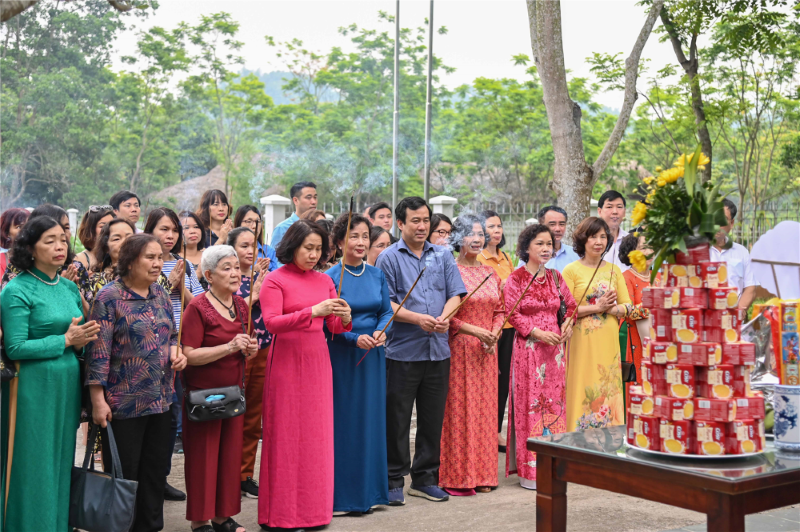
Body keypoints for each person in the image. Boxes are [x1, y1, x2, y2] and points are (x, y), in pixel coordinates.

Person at [0, 216, 100, 532]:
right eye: (49, 241)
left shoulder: (69, 288)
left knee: (60, 460)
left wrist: (82, 341)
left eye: (61, 239)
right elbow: (15, 348)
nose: (59, 246)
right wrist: (65, 340)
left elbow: (77, 340)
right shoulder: (16, 290)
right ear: (29, 248)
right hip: (30, 387)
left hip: (65, 385)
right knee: (32, 465)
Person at [86, 233, 187, 532]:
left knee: (155, 473)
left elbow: (170, 334)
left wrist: (175, 351)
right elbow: (98, 352)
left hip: (161, 398)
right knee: (125, 476)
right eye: (150, 258)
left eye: (160, 258)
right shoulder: (109, 297)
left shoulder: (160, 293)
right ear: (129, 261)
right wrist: (97, 400)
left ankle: (151, 527)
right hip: (123, 404)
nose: (158, 264)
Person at [257, 219, 352, 529]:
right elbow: (271, 323)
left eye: (318, 249)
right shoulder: (275, 280)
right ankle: (282, 514)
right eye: (307, 248)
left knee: (316, 437)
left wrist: (344, 316)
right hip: (285, 362)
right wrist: (312, 311)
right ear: (292, 246)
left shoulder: (325, 281)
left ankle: (315, 512)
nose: (313, 255)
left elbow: (334, 328)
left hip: (317, 361)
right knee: (286, 436)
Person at [375, 197, 466, 505]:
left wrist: (444, 317)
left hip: (438, 351)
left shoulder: (442, 255)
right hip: (402, 352)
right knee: (397, 420)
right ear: (400, 224)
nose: (422, 226)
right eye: (415, 220)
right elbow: (384, 303)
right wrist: (418, 319)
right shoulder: (388, 257)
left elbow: (456, 294)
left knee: (431, 419)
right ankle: (393, 479)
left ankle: (425, 478)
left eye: (426, 220)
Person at [181, 245, 257, 532]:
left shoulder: (240, 305)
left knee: (229, 456)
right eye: (227, 267)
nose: (235, 273)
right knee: (203, 458)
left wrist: (249, 348)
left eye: (237, 267)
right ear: (209, 275)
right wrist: (228, 347)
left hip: (234, 391)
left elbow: (244, 344)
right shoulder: (197, 308)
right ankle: (200, 521)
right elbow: (188, 354)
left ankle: (223, 516)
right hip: (204, 396)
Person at [325, 213, 392, 515]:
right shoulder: (329, 277)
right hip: (343, 354)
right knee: (346, 422)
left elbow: (387, 311)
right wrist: (354, 338)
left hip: (374, 355)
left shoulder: (377, 274)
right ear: (339, 242)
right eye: (354, 236)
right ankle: (343, 496)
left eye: (365, 236)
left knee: (371, 421)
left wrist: (381, 331)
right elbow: (328, 324)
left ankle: (372, 493)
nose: (361, 242)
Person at [504, 224, 576, 490]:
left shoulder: (556, 277)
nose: (546, 249)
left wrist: (567, 327)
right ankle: (530, 470)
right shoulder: (516, 279)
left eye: (549, 244)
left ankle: (554, 466)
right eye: (540, 244)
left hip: (555, 353)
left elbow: (571, 307)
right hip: (529, 351)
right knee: (531, 406)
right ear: (526, 248)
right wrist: (536, 332)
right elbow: (511, 312)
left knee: (555, 406)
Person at [439, 214, 504, 496]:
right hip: (461, 349)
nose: (477, 239)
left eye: (480, 233)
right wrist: (477, 332)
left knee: (486, 413)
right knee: (461, 412)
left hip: (488, 350)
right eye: (470, 234)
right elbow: (446, 315)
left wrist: (495, 333)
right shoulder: (449, 271)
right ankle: (459, 476)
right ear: (457, 239)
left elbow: (501, 309)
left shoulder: (491, 272)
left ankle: (485, 473)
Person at [145, 207, 205, 500]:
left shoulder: (185, 265)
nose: (170, 236)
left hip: (182, 347)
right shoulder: (141, 263)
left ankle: (162, 476)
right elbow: (144, 301)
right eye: (163, 229)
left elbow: (198, 306)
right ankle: (147, 480)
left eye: (174, 231)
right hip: (152, 350)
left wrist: (181, 286)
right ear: (149, 231)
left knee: (173, 419)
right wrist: (169, 285)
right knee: (158, 417)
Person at [562, 217, 633, 430]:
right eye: (593, 237)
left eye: (603, 237)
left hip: (608, 342)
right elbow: (565, 311)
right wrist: (597, 307)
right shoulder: (571, 271)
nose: (598, 242)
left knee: (607, 385)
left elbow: (628, 306)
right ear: (583, 240)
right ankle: (577, 436)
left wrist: (612, 309)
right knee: (582, 385)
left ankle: (610, 441)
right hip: (582, 342)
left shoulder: (614, 270)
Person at [226, 227, 271, 500]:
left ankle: (245, 474)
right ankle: (227, 474)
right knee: (232, 413)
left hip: (263, 349)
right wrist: (253, 294)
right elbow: (224, 310)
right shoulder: (227, 278)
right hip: (233, 352)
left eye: (253, 246)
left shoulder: (267, 276)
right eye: (243, 246)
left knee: (254, 416)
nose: (249, 251)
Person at [476, 209, 516, 452]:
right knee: (487, 381)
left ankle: (496, 430)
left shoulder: (506, 257)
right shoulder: (478, 258)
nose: (496, 231)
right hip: (486, 326)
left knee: (503, 383)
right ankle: (483, 429)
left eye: (499, 226)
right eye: (490, 227)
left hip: (508, 324)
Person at [0, 204, 81, 292]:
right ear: (31, 246)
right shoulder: (16, 281)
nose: (59, 247)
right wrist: (60, 287)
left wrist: (71, 288)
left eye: (63, 240)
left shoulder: (75, 268)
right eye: (50, 241)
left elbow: (86, 305)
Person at [619, 232, 654, 383]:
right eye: (643, 248)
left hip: (658, 338)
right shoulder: (625, 277)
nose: (649, 252)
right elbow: (630, 311)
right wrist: (655, 306)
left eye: (651, 247)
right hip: (634, 337)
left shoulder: (658, 276)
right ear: (631, 253)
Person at [712, 199, 757, 310]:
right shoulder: (698, 251)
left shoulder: (742, 252)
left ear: (731, 223)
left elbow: (750, 288)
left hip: (733, 319)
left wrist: (738, 311)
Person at [270, 181, 318, 258]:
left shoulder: (318, 225)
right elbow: (275, 259)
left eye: (315, 197)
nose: (314, 202)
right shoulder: (282, 228)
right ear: (296, 200)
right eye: (308, 197)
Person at [233, 205, 278, 270]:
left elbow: (276, 277)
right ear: (239, 223)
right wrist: (253, 272)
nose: (254, 226)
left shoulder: (269, 251)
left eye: (258, 222)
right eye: (249, 221)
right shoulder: (230, 250)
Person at [538, 206, 580, 272]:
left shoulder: (576, 255)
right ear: (540, 226)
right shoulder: (530, 256)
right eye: (552, 224)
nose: (558, 229)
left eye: (561, 224)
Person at [597, 190, 629, 273]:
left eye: (619, 207)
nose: (615, 212)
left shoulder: (631, 241)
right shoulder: (591, 241)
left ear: (624, 212)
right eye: (609, 207)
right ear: (599, 211)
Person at [75, 205, 115, 270]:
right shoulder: (80, 260)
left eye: (112, 225)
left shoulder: (117, 256)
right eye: (102, 226)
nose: (109, 230)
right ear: (90, 230)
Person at [178, 211, 208, 291]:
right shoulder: (174, 259)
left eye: (196, 227)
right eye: (186, 228)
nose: (193, 231)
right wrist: (198, 273)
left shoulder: (208, 255)